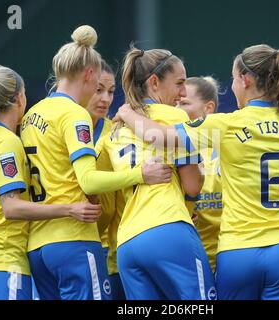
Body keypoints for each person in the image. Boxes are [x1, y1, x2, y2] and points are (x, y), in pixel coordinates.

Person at [113, 44, 279, 300]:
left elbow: (159, 136)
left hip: (238, 251)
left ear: (245, 79)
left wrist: (126, 111)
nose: (233, 86)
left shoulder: (225, 124)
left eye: (234, 78)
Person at [19, 26, 172, 300]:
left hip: (38, 246)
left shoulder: (31, 114)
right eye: (98, 87)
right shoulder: (74, 114)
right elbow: (88, 180)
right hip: (73, 239)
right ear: (89, 75)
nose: (101, 96)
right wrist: (140, 174)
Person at [0, 65, 101, 300]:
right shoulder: (7, 143)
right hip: (1, 258)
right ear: (18, 98)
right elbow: (11, 207)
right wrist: (69, 208)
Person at [101, 46, 216, 300]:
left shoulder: (114, 129)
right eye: (179, 83)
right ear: (154, 82)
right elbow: (193, 186)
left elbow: (97, 187)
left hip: (128, 242)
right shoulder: (174, 116)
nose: (183, 92)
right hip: (168, 228)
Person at [85, 59, 126, 300]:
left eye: (111, 92)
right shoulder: (60, 128)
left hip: (109, 249)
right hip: (66, 239)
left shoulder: (117, 131)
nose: (106, 99)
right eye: (98, 90)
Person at [178, 76, 222, 272]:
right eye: (176, 103)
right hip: (188, 261)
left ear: (208, 108)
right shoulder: (173, 150)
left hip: (229, 258)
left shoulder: (226, 147)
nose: (177, 109)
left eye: (184, 103)